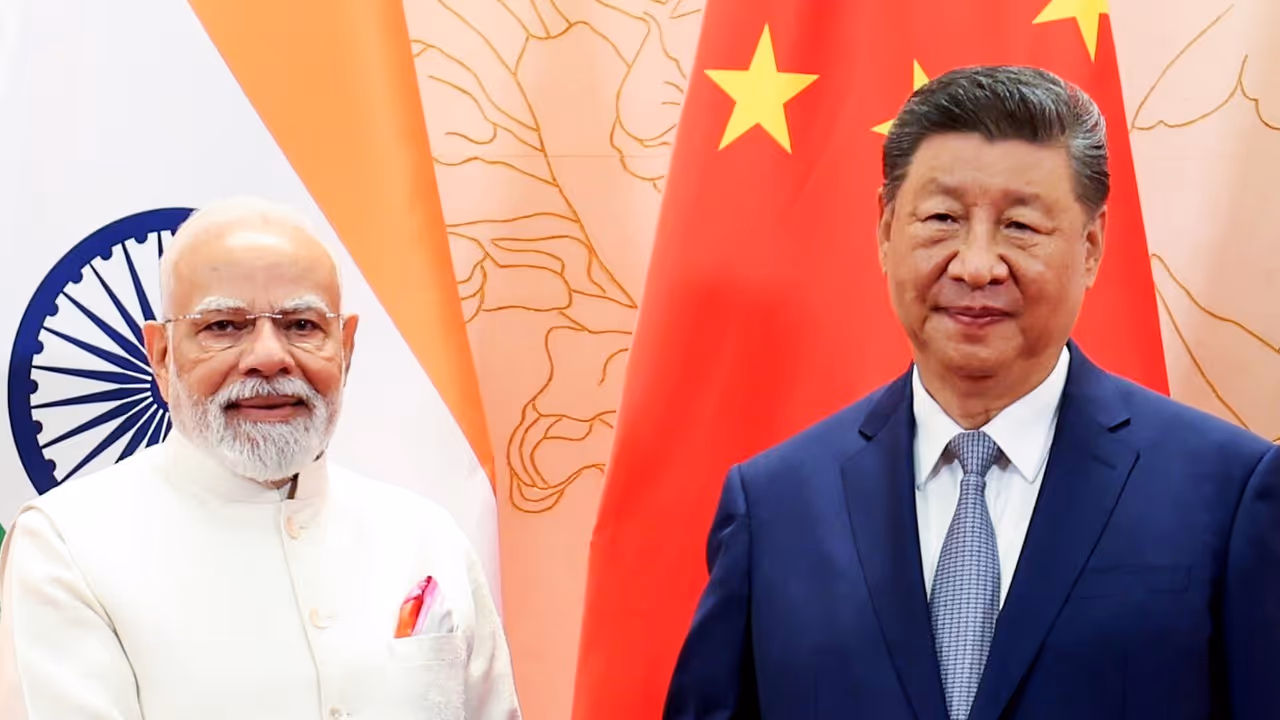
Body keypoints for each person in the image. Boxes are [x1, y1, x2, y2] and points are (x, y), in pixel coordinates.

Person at [663, 65, 1280, 720]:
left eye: (1020, 226)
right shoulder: (775, 507)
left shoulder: (1229, 495)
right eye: (942, 218)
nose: (978, 265)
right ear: (885, 229)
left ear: (1092, 246)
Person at [0, 197, 522, 719]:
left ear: (346, 347)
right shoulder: (68, 545)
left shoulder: (425, 536)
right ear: (161, 355)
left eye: (301, 325)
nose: (270, 357)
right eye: (224, 325)